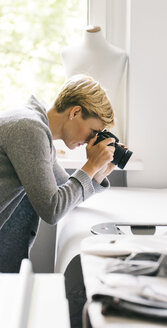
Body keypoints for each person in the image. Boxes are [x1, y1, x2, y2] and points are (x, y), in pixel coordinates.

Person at [0, 74, 115, 273]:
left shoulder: (39, 131)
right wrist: (90, 165)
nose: (90, 141)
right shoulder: (29, 129)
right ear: (76, 112)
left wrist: (96, 172)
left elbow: (64, 192)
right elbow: (52, 210)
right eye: (93, 132)